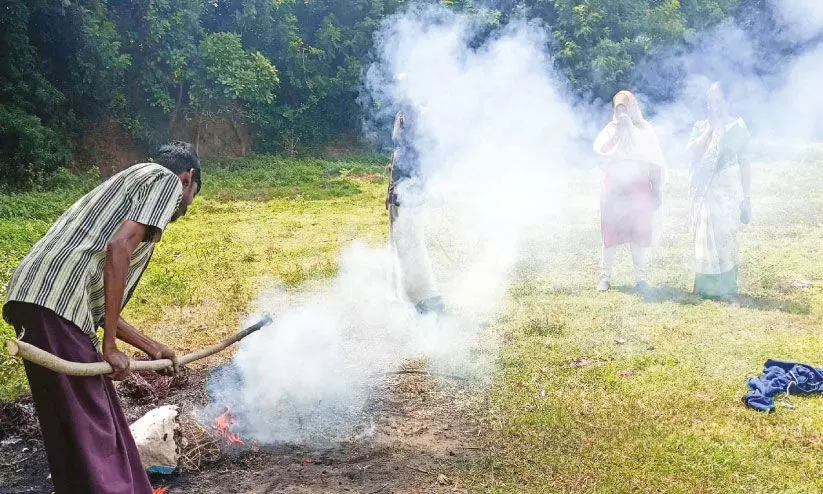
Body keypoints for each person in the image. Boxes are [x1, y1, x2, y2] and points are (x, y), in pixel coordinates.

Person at [3, 141, 202, 493]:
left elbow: (97, 307)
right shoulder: (164, 180)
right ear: (187, 179)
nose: (185, 209)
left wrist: (152, 348)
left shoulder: (132, 189)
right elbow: (118, 247)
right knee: (96, 424)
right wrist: (109, 346)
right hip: (55, 299)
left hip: (44, 297)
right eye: (192, 197)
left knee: (74, 422)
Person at [593, 90, 665, 292]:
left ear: (634, 107)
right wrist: (619, 131)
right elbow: (601, 151)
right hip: (615, 186)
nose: (623, 112)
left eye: (627, 108)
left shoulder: (644, 129)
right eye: (619, 109)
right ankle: (605, 277)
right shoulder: (611, 128)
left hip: (639, 186)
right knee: (610, 231)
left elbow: (655, 160)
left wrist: (657, 190)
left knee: (639, 230)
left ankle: (641, 278)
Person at [686, 82, 751, 299]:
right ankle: (705, 287)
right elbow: (691, 154)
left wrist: (747, 198)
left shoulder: (739, 127)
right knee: (705, 236)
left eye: (718, 100)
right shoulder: (700, 126)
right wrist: (710, 131)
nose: (714, 105)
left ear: (728, 101)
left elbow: (744, 163)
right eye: (711, 100)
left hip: (728, 190)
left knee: (726, 237)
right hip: (706, 190)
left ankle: (726, 288)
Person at [386, 106, 444, 314]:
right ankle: (404, 296)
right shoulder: (405, 119)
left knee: (411, 246)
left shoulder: (417, 120)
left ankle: (426, 298)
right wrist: (388, 192)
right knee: (400, 246)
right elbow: (396, 158)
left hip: (409, 197)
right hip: (401, 195)